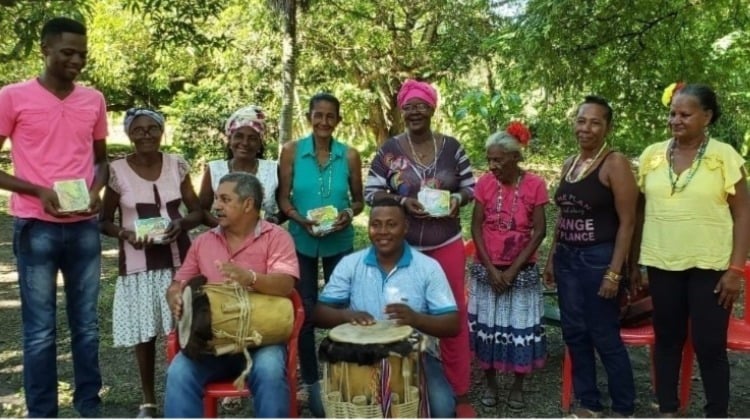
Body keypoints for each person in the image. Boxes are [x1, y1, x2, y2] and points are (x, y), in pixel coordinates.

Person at [0, 17, 108, 417]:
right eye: (67, 52)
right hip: (36, 227)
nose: (76, 60)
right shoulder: (12, 97)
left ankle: (88, 406)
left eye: (82, 53)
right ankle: (42, 412)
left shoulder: (93, 100)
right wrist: (37, 191)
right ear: (44, 49)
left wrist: (95, 193)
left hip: (82, 228)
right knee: (40, 331)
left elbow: (102, 162)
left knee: (87, 326)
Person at [634, 83, 750, 418]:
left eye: (685, 114)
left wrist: (735, 270)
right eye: (672, 113)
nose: (676, 120)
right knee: (667, 340)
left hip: (711, 266)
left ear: (707, 116)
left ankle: (716, 412)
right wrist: (632, 263)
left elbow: (743, 213)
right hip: (660, 262)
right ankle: (668, 409)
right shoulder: (652, 155)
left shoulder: (724, 156)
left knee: (709, 345)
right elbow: (639, 212)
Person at [364, 79, 476, 417]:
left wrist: (457, 198)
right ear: (402, 111)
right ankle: (402, 385)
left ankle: (459, 392)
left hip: (447, 244)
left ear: (431, 109)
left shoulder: (452, 147)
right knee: (401, 311)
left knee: (451, 314)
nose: (414, 111)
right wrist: (402, 200)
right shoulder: (389, 151)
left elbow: (471, 186)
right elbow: (370, 192)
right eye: (408, 106)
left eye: (421, 105)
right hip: (406, 249)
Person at [163, 172, 299, 418]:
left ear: (248, 204)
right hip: (211, 345)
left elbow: (286, 285)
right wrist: (175, 296)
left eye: (225, 199)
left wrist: (251, 278)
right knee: (179, 372)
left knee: (269, 371)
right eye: (216, 199)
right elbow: (178, 284)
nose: (216, 206)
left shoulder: (277, 238)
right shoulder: (203, 242)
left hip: (261, 341)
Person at [313, 197, 459, 417]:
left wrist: (416, 319)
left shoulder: (428, 267)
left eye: (392, 224)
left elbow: (453, 324)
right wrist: (346, 315)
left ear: (405, 227)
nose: (383, 231)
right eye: (376, 224)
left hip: (414, 353)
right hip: (358, 353)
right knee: (317, 401)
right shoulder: (351, 264)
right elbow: (318, 314)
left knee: (442, 408)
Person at [99, 108, 203, 417]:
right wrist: (125, 233)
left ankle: (186, 391)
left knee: (187, 327)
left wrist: (181, 224)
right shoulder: (116, 171)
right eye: (139, 129)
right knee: (146, 333)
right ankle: (148, 399)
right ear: (129, 134)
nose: (146, 134)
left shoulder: (176, 165)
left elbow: (197, 211)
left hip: (179, 260)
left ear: (161, 132)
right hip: (138, 263)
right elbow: (103, 221)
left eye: (152, 129)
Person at [543, 95, 638, 417]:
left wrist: (615, 272)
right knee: (574, 331)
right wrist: (553, 257)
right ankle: (589, 402)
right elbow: (565, 216)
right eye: (582, 120)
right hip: (568, 260)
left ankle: (624, 405)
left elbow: (628, 222)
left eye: (595, 122)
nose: (586, 128)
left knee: (603, 333)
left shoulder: (615, 163)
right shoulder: (569, 163)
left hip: (599, 259)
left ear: (607, 127)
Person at [277, 92, 364, 414]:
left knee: (343, 308)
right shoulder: (291, 152)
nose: (324, 121)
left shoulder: (350, 155)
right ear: (310, 117)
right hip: (301, 240)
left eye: (330, 116)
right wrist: (301, 220)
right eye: (318, 115)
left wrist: (346, 215)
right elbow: (284, 199)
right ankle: (311, 382)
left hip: (339, 243)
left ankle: (345, 374)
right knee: (305, 311)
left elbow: (358, 201)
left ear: (338, 121)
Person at [468, 123, 548, 410]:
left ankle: (517, 385)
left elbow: (539, 231)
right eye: (489, 159)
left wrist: (513, 270)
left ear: (515, 158)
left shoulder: (535, 185)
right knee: (487, 329)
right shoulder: (485, 184)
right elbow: (475, 227)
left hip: (521, 272)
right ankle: (490, 384)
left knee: (519, 329)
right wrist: (491, 269)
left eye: (498, 159)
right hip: (487, 269)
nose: (492, 165)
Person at [199, 105, 283, 226]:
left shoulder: (273, 169)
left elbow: (285, 207)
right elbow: (202, 211)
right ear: (230, 140)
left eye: (252, 138)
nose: (245, 143)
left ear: (260, 143)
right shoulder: (214, 169)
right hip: (224, 239)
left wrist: (272, 221)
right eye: (239, 136)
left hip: (265, 238)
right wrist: (225, 227)